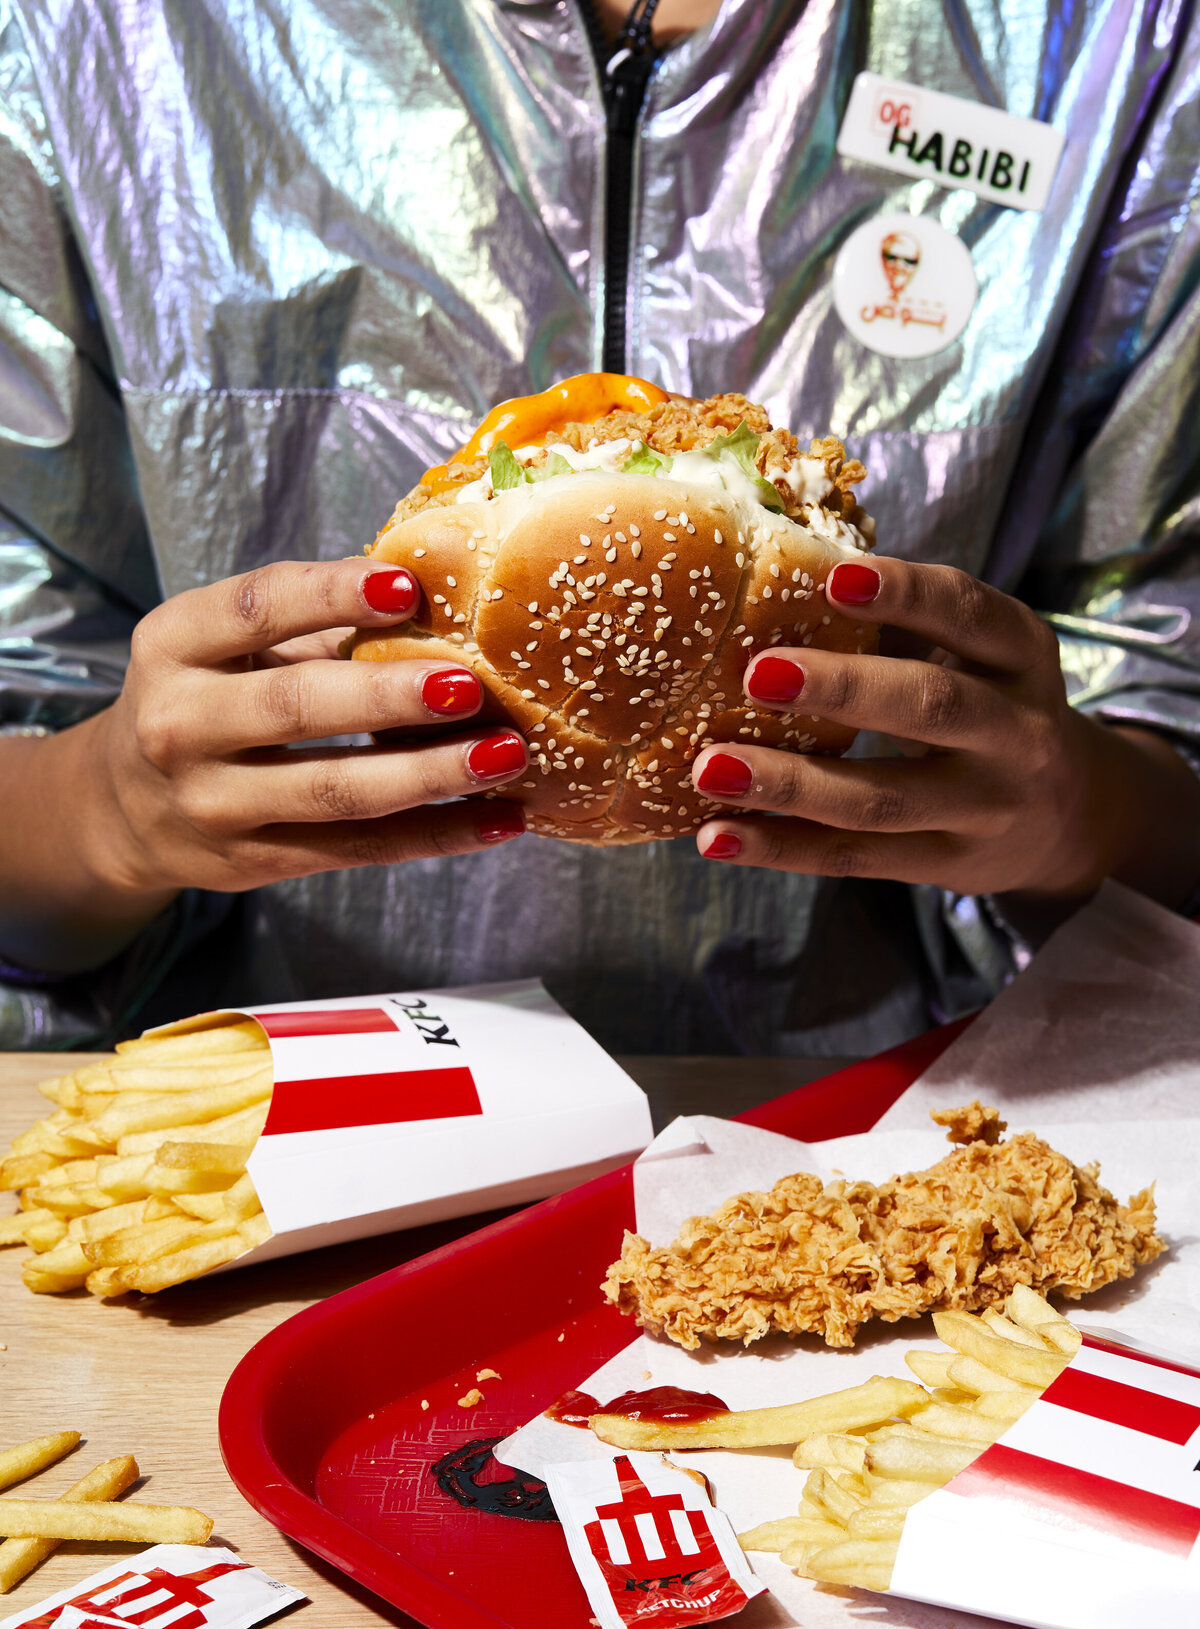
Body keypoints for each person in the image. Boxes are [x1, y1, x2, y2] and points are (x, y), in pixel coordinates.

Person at [1, 0, 1199, 1055]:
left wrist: (1075, 813)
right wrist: (107, 812)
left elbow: (1171, 748)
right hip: (292, 1149)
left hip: (871, 1147)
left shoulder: (1117, 43)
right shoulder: (95, 30)